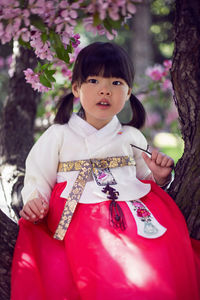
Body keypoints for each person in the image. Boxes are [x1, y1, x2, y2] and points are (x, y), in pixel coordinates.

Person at [11, 42, 200, 300]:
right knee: (99, 259)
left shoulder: (130, 135)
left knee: (154, 254)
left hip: (132, 211)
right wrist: (36, 201)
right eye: (94, 80)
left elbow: (145, 177)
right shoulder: (60, 134)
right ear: (76, 88)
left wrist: (160, 175)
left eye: (116, 83)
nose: (105, 90)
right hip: (79, 212)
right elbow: (38, 173)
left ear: (129, 92)